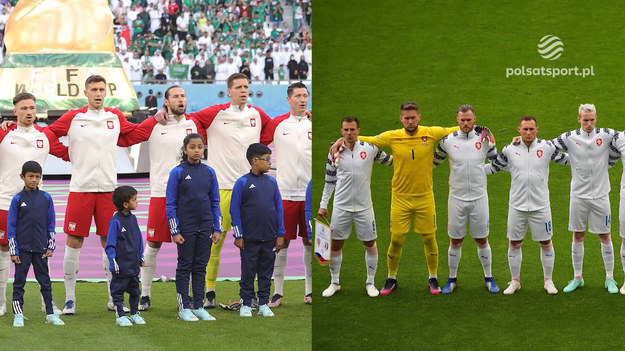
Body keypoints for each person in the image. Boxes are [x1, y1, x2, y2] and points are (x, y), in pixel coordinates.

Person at [155, 73, 273, 309]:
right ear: (228, 91)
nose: (243, 90)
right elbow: (185, 119)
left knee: (251, 244)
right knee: (214, 243)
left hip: (251, 187)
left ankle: (251, 295)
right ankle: (208, 291)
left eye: (246, 86)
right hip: (222, 187)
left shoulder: (258, 115)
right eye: (238, 87)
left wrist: (305, 116)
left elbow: (277, 127)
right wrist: (162, 112)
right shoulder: (214, 113)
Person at [46, 75, 144, 314]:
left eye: (102, 89)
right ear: (86, 93)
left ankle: (114, 297)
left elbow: (133, 134)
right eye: (94, 90)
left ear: (105, 92)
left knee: (108, 242)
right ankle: (70, 299)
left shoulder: (115, 117)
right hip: (80, 189)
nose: (98, 93)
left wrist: (158, 122)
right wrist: (67, 154)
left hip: (109, 190)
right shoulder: (74, 117)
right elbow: (47, 135)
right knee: (73, 241)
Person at [346, 102, 460, 295]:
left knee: (429, 238)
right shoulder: (393, 136)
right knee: (397, 238)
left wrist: (482, 129)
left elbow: (456, 128)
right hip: (400, 198)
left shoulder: (430, 133)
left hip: (425, 197)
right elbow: (371, 140)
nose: (410, 121)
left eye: (413, 117)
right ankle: (391, 278)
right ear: (401, 119)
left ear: (419, 117)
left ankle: (432, 277)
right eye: (406, 118)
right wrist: (343, 139)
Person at [118, 85, 204, 311]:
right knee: (153, 243)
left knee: (189, 246)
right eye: (175, 96)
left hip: (190, 197)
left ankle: (190, 298)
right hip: (161, 193)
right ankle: (144, 294)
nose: (180, 99)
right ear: (166, 102)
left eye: (183, 96)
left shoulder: (194, 124)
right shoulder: (154, 124)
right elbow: (126, 138)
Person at [0, 93, 68, 316]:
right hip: (6, 201)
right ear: (15, 111)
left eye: (32, 107)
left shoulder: (45, 135)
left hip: (37, 204)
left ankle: (47, 304)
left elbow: (68, 154)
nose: (29, 112)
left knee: (41, 252)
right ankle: (1, 302)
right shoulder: (3, 133)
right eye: (24, 108)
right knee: (3, 251)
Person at [486, 116, 569, 294]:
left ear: (537, 129)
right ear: (519, 130)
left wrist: (590, 162)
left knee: (546, 242)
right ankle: (515, 281)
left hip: (541, 206)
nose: (528, 132)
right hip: (517, 206)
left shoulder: (547, 148)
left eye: (532, 129)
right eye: (525, 129)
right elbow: (495, 167)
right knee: (514, 243)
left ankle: (548, 281)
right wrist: (471, 170)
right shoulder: (509, 149)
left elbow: (567, 159)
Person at [319, 116, 393, 298]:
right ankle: (334, 282)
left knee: (369, 243)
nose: (349, 133)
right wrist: (323, 204)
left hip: (364, 207)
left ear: (359, 130)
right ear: (341, 131)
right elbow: (329, 180)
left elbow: (391, 161)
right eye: (345, 130)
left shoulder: (370, 149)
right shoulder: (334, 152)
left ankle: (370, 282)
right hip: (341, 206)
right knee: (335, 244)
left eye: (352, 130)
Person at [551, 104, 618, 293]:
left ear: (596, 118)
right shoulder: (569, 137)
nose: (589, 123)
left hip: (601, 195)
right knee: (578, 235)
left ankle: (610, 278)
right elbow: (548, 147)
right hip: (578, 196)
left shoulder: (605, 134)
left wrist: (609, 162)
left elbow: (621, 139)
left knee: (605, 235)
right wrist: (569, 160)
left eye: (592, 119)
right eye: (585, 120)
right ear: (578, 119)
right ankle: (577, 277)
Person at [433, 104, 499, 294]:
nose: (465, 123)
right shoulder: (446, 141)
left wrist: (481, 169)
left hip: (479, 197)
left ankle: (489, 278)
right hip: (457, 198)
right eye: (462, 120)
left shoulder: (485, 138)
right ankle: (452, 279)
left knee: (482, 239)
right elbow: (433, 162)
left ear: (474, 119)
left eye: (469, 119)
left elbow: (496, 162)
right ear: (457, 120)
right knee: (455, 240)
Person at [259, 82, 312, 306]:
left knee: (311, 243)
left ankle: (310, 291)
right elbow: (256, 142)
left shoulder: (313, 123)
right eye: (298, 96)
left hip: (310, 195)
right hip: (285, 194)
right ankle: (278, 292)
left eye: (305, 95)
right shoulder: (278, 124)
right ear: (288, 99)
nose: (302, 99)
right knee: (281, 243)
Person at [166, 133, 221, 322]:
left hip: (205, 226)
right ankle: (183, 308)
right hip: (186, 228)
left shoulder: (209, 172)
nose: (197, 150)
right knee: (184, 266)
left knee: (200, 267)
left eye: (200, 147)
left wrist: (217, 228)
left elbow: (215, 201)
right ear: (185, 150)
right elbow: (171, 203)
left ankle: (198, 306)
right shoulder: (177, 172)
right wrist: (175, 231)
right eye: (193, 147)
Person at [231, 143, 285, 317]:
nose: (270, 162)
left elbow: (279, 209)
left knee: (266, 272)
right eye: (267, 159)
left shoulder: (272, 182)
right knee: (248, 271)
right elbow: (235, 211)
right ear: (255, 161)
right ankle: (245, 303)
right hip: (249, 238)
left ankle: (263, 303)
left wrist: (280, 234)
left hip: (269, 236)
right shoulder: (242, 182)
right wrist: (238, 235)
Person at [8, 161, 64, 327]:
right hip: (22, 250)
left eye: (37, 177)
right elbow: (11, 227)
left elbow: (51, 223)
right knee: (19, 283)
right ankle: (18, 315)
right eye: (30, 176)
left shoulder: (46, 198)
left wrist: (50, 246)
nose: (34, 180)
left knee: (45, 282)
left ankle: (50, 314)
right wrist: (14, 250)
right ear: (22, 177)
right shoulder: (17, 199)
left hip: (40, 249)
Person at [105, 186, 146, 327]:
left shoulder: (133, 219)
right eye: (135, 199)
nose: (137, 202)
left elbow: (138, 239)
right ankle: (120, 316)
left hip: (133, 265)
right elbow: (110, 244)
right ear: (125, 204)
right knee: (118, 292)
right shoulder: (115, 221)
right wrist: (113, 261)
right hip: (121, 267)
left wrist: (140, 256)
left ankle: (134, 313)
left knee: (135, 291)